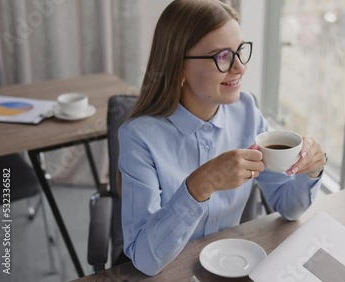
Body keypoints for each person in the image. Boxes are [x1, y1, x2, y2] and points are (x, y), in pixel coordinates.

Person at [118, 0, 327, 276]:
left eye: (240, 51)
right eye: (223, 56)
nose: (240, 67)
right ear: (179, 66)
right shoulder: (139, 138)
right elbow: (146, 259)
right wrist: (199, 186)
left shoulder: (247, 112)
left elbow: (288, 207)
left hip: (232, 267)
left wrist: (310, 170)